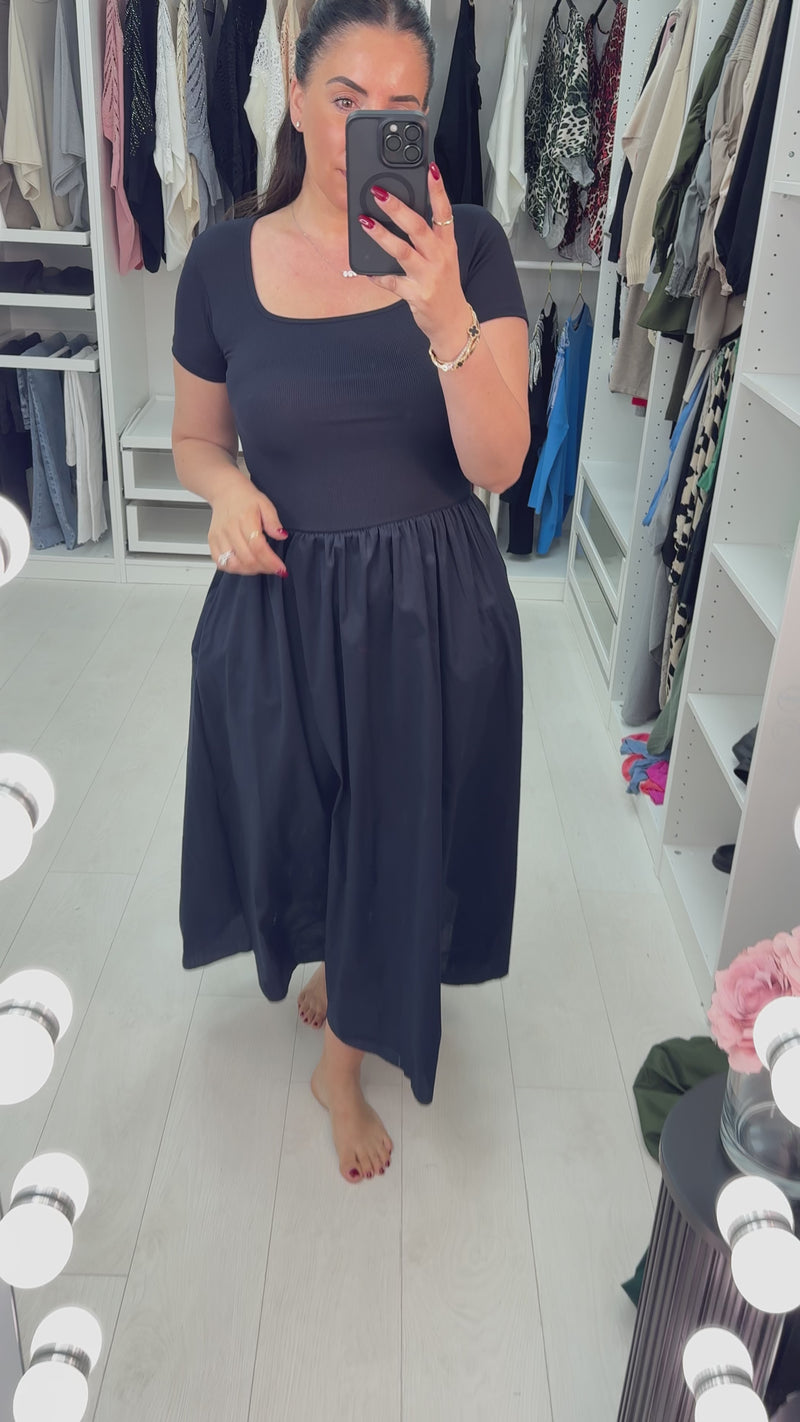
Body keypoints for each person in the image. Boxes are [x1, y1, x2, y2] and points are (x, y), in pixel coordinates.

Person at [171, 0, 530, 1187]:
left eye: (399, 108)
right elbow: (195, 440)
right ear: (291, 92)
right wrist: (224, 489)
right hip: (279, 597)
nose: (367, 128)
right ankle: (336, 963)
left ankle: (343, 1069)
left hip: (429, 608)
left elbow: (498, 463)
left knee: (397, 835)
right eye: (343, 99)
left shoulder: (468, 246)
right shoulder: (220, 261)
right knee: (305, 819)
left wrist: (442, 314)